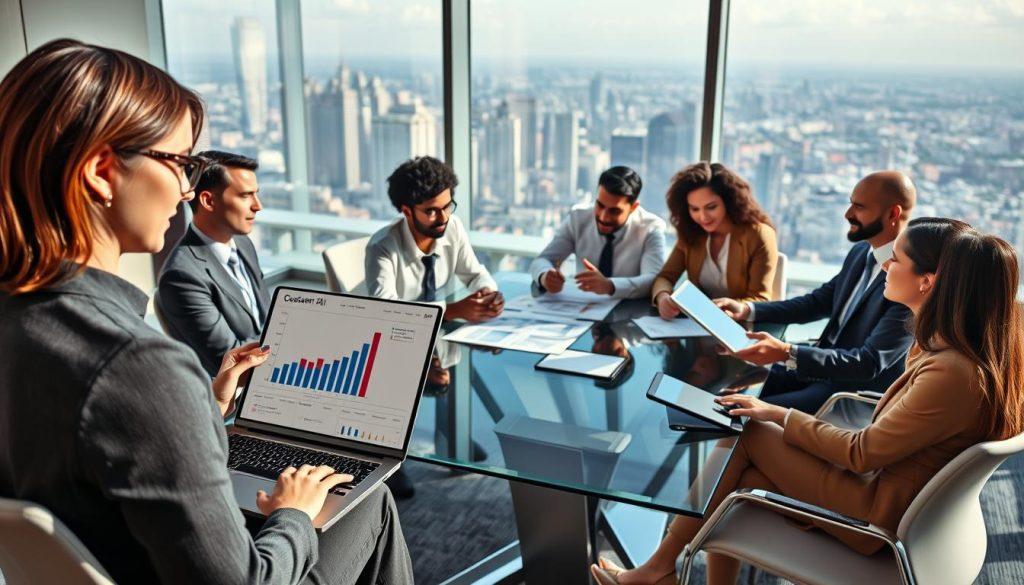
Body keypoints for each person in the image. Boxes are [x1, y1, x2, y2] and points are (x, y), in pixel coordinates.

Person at [0, 39, 412, 584]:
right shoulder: (136, 364)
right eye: (182, 164)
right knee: (371, 503)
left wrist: (203, 411)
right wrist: (294, 515)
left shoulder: (18, 318)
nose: (187, 190)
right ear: (102, 172)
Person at [593, 217, 1024, 585]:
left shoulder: (951, 371)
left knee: (748, 431)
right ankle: (663, 569)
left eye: (897, 259)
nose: (886, 264)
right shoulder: (967, 350)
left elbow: (861, 453)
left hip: (878, 517)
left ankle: (657, 570)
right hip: (899, 496)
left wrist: (776, 413)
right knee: (743, 466)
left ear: (928, 281)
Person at [715, 171, 917, 413]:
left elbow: (868, 363)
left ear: (893, 213)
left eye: (859, 207)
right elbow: (817, 302)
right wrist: (748, 309)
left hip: (847, 393)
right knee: (725, 384)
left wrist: (787, 352)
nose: (848, 214)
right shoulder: (861, 252)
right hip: (819, 369)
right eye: (850, 203)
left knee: (739, 412)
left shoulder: (909, 280)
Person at [156, 150, 270, 377]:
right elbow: (230, 360)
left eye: (256, 194)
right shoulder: (182, 276)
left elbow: (267, 319)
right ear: (208, 201)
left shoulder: (242, 243)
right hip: (235, 394)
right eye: (246, 196)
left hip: (268, 369)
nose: (258, 206)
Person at [366, 155, 503, 322]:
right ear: (407, 211)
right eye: (431, 211)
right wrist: (451, 311)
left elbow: (474, 275)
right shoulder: (382, 247)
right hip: (396, 337)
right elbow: (385, 311)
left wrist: (487, 293)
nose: (443, 218)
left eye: (447, 207)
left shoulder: (452, 226)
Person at [652, 162, 778, 321]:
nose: (703, 217)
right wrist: (663, 297)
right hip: (698, 326)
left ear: (729, 201)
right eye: (695, 209)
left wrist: (724, 310)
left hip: (741, 328)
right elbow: (665, 277)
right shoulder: (692, 233)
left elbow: (760, 300)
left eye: (711, 207)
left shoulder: (758, 234)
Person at [530, 166, 666, 299]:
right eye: (600, 205)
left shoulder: (651, 228)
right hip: (582, 309)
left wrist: (610, 286)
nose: (603, 217)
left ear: (633, 207)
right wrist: (544, 276)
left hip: (629, 312)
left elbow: (653, 279)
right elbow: (542, 260)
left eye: (614, 211)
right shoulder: (578, 218)